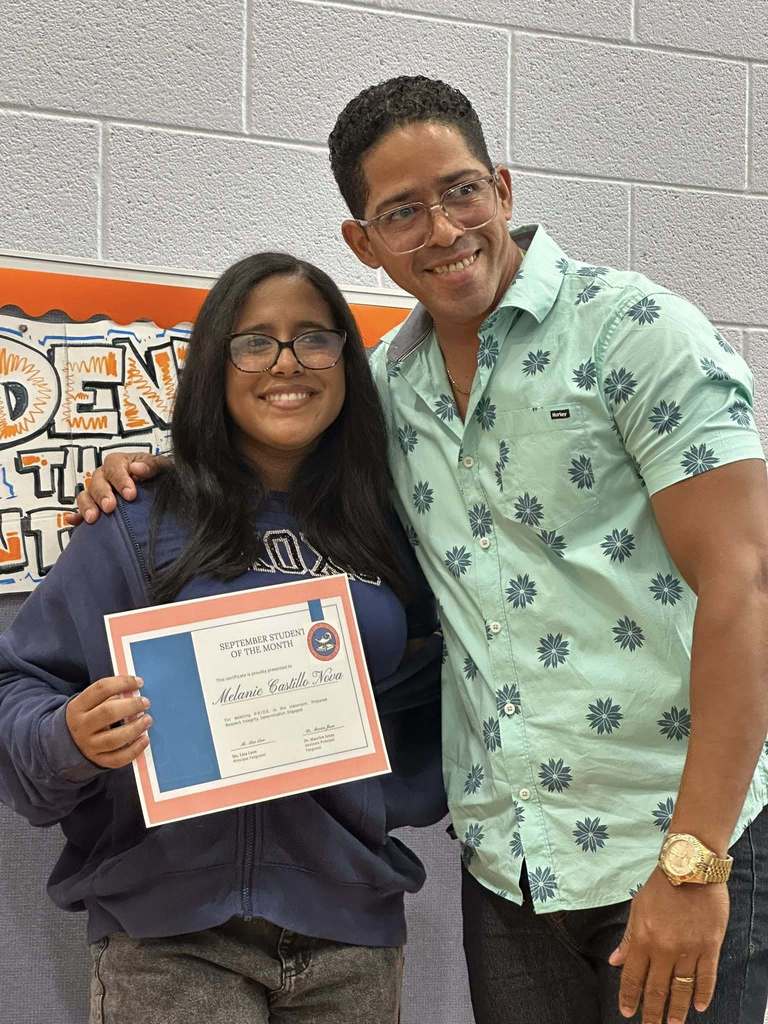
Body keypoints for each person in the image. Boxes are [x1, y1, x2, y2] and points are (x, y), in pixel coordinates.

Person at [74, 76, 768, 1024]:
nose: (441, 229)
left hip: (670, 841)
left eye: (460, 191)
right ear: (363, 242)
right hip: (508, 868)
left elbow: (746, 587)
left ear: (505, 190)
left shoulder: (637, 335)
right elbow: (274, 454)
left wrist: (696, 860)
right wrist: (145, 470)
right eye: (401, 211)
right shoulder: (388, 391)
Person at [0, 252, 447, 1024]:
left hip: (350, 937)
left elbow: (446, 688)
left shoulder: (395, 531)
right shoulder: (138, 521)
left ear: (346, 359)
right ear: (217, 362)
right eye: (254, 341)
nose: (286, 363)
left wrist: (386, 796)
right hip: (174, 938)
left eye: (314, 338)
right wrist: (71, 738)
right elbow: (19, 687)